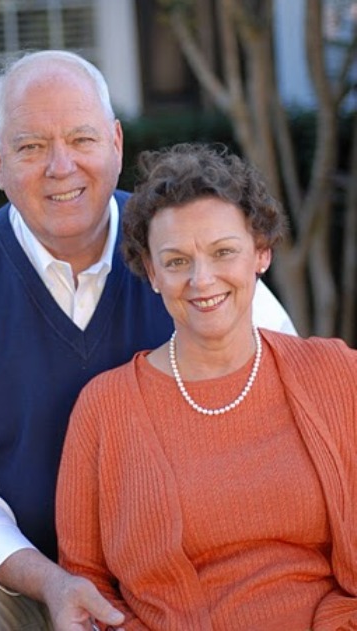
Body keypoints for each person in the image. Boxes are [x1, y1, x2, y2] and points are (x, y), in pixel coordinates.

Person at [0, 51, 296, 631]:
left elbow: (288, 386)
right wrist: (50, 580)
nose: (61, 166)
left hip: (186, 556)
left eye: (81, 138)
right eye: (30, 146)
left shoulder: (186, 253)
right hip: (8, 566)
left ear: (115, 143)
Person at [56, 142, 357, 631]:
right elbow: (87, 581)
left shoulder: (338, 375)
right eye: (175, 261)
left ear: (260, 253)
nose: (202, 279)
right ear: (151, 273)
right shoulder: (105, 408)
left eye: (223, 252)